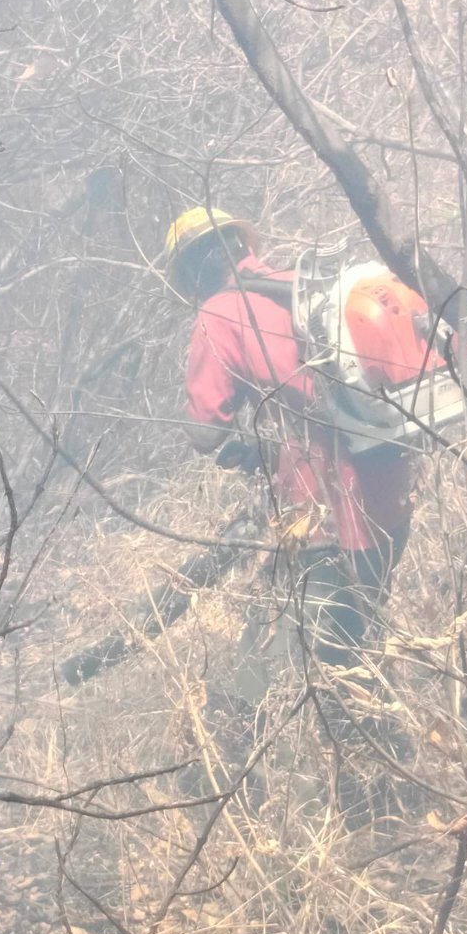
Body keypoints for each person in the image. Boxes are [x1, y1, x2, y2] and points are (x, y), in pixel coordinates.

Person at [166, 206, 415, 673]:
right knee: (358, 634)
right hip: (392, 483)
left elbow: (205, 429)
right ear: (243, 245)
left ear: (191, 272)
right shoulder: (307, 287)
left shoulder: (217, 314)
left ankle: (375, 742)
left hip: (324, 506)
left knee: (305, 663)